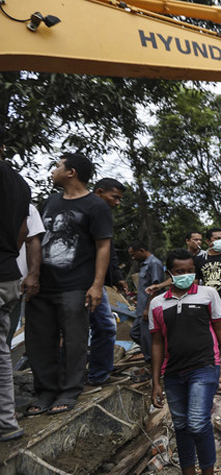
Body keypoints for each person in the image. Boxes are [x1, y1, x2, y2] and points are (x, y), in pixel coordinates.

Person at [26, 153, 112, 416]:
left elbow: (103, 245)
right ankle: (46, 391)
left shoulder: (96, 206)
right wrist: (33, 274)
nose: (53, 170)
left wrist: (97, 285)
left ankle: (70, 390)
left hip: (75, 285)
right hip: (43, 285)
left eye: (57, 166)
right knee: (39, 340)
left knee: (75, 341)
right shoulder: (50, 201)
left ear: (71, 172)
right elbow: (36, 238)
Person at [150, 249, 221, 475]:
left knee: (198, 424)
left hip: (205, 367)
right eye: (180, 272)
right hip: (173, 373)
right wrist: (155, 381)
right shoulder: (157, 303)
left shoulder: (208, 294)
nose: (186, 275)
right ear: (170, 274)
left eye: (190, 271)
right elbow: (156, 343)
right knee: (181, 426)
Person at [0, 143, 30, 440]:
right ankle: (6, 423)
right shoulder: (20, 183)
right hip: (8, 273)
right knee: (2, 351)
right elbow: (22, 232)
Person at [87, 178, 128, 385]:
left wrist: (117, 277)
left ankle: (97, 375)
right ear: (100, 192)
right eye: (115, 197)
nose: (117, 203)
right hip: (80, 281)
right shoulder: (84, 211)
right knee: (80, 330)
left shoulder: (104, 215)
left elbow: (108, 250)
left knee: (104, 327)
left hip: (96, 282)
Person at [6, 204, 44, 349]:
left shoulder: (26, 207)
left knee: (6, 333)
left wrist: (33, 274)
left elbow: (33, 240)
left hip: (13, 282)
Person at [128, 241, 165, 370]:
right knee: (135, 334)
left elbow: (156, 288)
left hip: (148, 309)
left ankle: (154, 363)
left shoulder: (154, 264)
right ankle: (153, 356)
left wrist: (148, 308)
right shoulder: (145, 265)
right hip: (141, 308)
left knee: (146, 336)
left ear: (142, 250)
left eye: (134, 254)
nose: (133, 258)